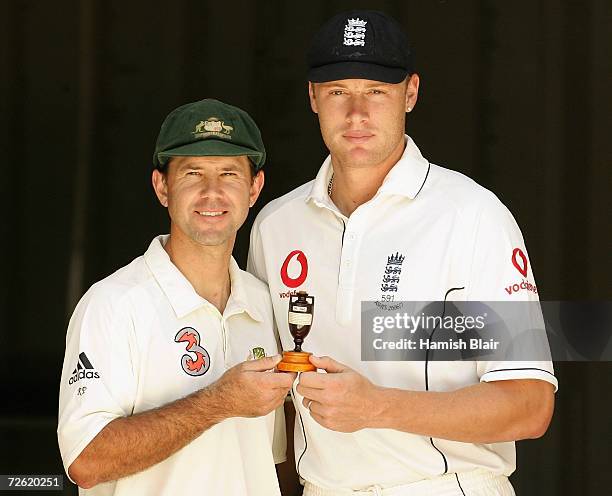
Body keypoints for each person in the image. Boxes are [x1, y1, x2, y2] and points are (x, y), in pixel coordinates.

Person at [248, 10, 557, 496]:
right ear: (312, 97)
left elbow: (530, 404)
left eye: (376, 91)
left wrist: (377, 407)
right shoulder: (276, 226)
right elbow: (276, 401)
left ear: (410, 93)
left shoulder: (472, 216)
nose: (356, 114)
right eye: (337, 92)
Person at [58, 98, 295, 496]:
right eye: (192, 174)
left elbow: (271, 460)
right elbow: (86, 461)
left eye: (229, 174)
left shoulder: (263, 303)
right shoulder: (114, 304)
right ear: (162, 186)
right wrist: (218, 401)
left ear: (255, 188)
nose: (211, 192)